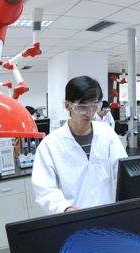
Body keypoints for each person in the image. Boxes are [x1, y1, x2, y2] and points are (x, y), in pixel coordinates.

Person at [31, 76, 127, 215]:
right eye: (82, 107)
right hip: (73, 218)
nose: (89, 113)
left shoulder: (107, 134)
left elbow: (123, 172)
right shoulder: (50, 145)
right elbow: (44, 188)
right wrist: (65, 208)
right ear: (67, 106)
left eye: (94, 105)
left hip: (108, 215)